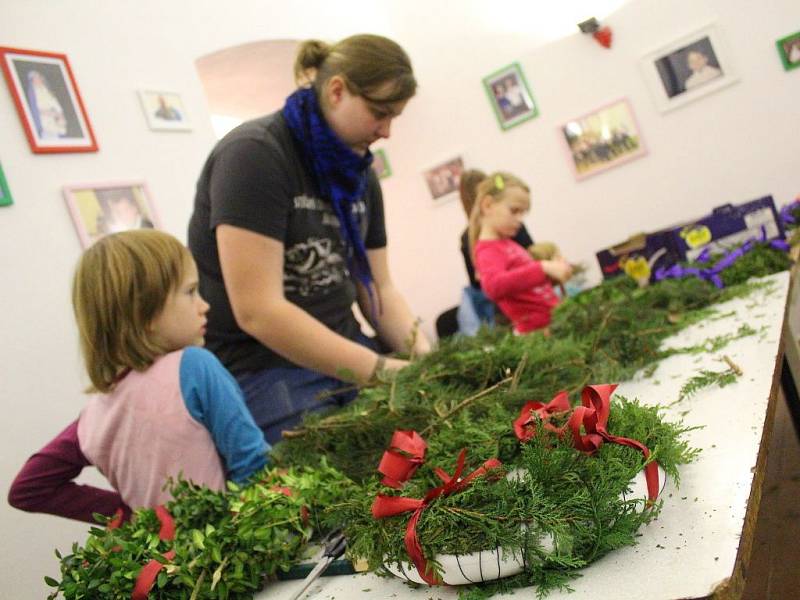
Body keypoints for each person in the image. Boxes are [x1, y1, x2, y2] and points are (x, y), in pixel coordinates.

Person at [187, 34, 431, 444]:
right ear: (337, 90)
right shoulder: (255, 154)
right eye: (379, 112)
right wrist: (376, 369)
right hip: (266, 371)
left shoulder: (359, 174)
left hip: (347, 347)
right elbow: (258, 311)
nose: (387, 131)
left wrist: (426, 360)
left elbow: (379, 289)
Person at [7, 230, 268, 524]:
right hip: (236, 554)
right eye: (190, 291)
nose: (204, 305)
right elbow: (254, 466)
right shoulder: (195, 368)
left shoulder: (94, 416)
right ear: (147, 313)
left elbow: (28, 489)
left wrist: (137, 518)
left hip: (168, 567)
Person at [468, 172, 573, 334]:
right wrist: (543, 267)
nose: (520, 219)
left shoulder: (509, 244)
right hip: (538, 335)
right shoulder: (487, 250)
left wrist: (554, 271)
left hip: (554, 324)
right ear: (488, 205)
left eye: (523, 213)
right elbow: (493, 286)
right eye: (514, 211)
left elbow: (525, 285)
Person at [25, 70, 67, 139]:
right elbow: (35, 109)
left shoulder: (46, 90)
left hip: (55, 121)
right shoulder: (33, 93)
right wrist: (49, 113)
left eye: (39, 77)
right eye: (36, 78)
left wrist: (60, 114)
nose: (39, 80)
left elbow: (55, 103)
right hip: (44, 122)